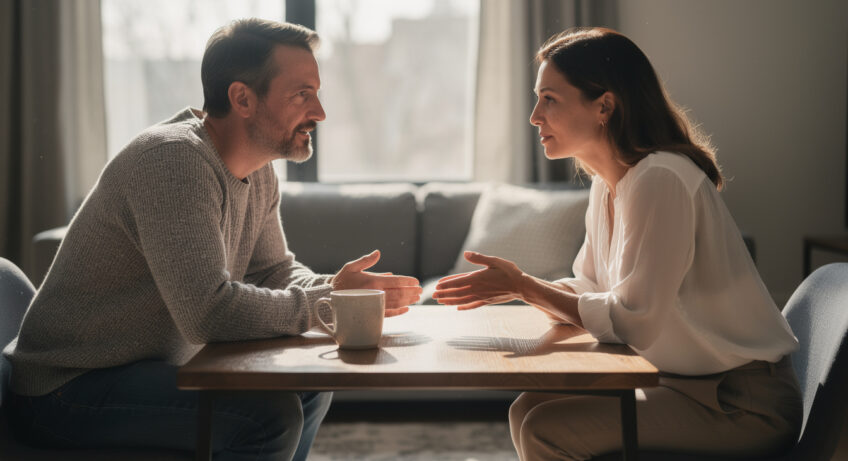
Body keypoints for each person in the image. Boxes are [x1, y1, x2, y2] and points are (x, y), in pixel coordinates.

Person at [3, 18, 421, 461]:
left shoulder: (259, 170)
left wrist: (337, 290)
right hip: (66, 389)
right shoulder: (172, 160)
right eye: (302, 94)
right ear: (243, 99)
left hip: (142, 370)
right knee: (268, 416)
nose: (319, 112)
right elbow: (209, 313)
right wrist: (326, 302)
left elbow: (272, 269)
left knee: (310, 383)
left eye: (316, 93)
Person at [432, 27, 801, 460]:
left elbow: (633, 321)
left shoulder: (660, 178)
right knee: (528, 407)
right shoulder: (608, 185)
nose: (534, 116)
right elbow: (591, 287)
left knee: (545, 430)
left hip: (740, 403)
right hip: (684, 384)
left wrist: (524, 287)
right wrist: (519, 286)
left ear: (604, 106)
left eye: (549, 99)